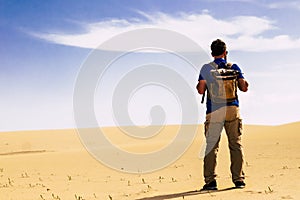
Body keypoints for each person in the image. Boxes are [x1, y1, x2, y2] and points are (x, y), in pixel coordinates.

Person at [196, 39, 249, 190]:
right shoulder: (234, 67)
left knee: (211, 147)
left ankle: (210, 182)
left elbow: (200, 90)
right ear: (225, 52)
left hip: (214, 111)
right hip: (232, 110)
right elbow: (244, 87)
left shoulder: (207, 68)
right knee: (236, 145)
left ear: (212, 53)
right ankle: (239, 180)